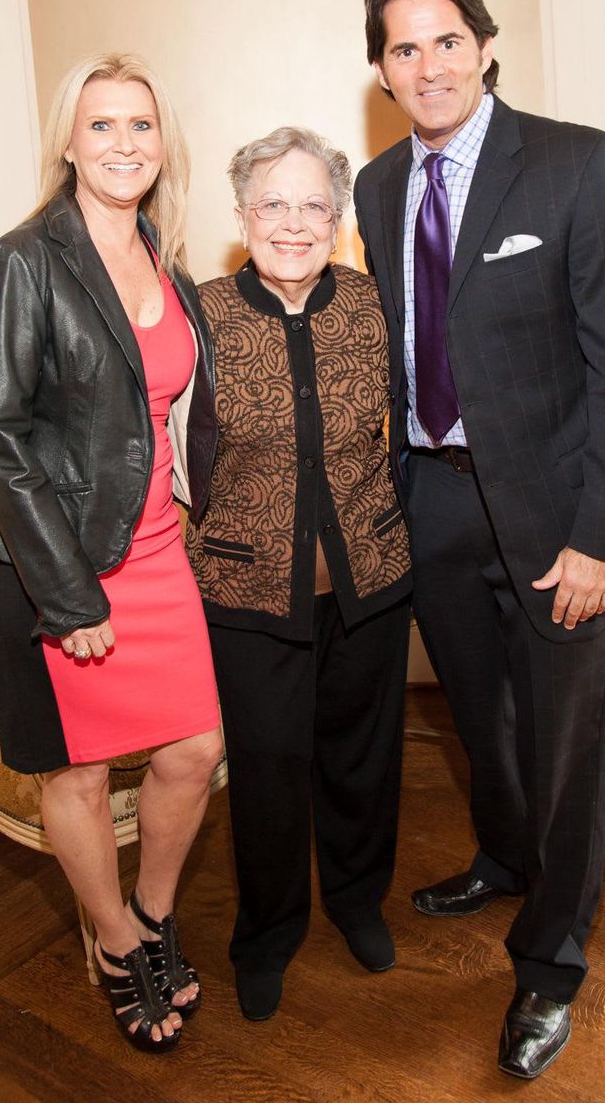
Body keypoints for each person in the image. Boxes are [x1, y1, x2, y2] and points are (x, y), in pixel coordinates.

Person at [354, 0, 605, 1079]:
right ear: (381, 70)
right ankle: (500, 851)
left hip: (555, 516)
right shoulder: (377, 187)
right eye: (403, 47)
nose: (427, 64)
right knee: (477, 718)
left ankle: (549, 962)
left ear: (484, 44)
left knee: (563, 740)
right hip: (433, 499)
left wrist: (602, 537)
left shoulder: (578, 164)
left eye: (446, 39)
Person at [0, 53, 224, 1056]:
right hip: (54, 558)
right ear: (68, 140)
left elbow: (165, 417)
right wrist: (66, 594)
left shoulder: (167, 262)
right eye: (101, 125)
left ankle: (148, 910)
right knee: (74, 773)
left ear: (162, 145)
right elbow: (2, 435)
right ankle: (112, 941)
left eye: (140, 126)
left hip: (155, 550)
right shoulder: (22, 260)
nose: (123, 143)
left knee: (193, 749)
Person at [185, 127, 412, 1023]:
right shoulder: (198, 316)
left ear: (339, 219)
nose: (293, 222)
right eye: (272, 204)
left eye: (314, 203)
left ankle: (359, 903)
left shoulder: (371, 304)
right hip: (246, 590)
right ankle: (267, 933)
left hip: (372, 575)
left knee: (364, 759)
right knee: (270, 770)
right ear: (241, 215)